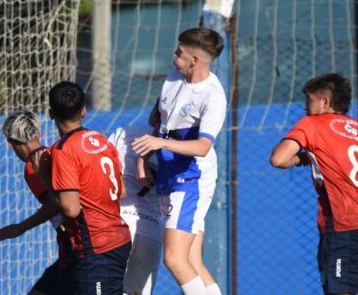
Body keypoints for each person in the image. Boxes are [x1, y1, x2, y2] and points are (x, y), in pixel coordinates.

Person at [269, 73, 358, 295]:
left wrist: (302, 156)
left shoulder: (312, 124)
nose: (304, 107)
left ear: (325, 102)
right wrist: (310, 157)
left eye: (308, 100)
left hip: (343, 225)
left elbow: (279, 159)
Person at [131, 27, 227, 295]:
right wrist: (143, 161)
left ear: (194, 60)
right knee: (192, 260)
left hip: (192, 178)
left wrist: (161, 143)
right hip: (169, 173)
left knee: (174, 258)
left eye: (179, 52)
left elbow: (203, 146)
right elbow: (159, 122)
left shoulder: (213, 96)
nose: (173, 55)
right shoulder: (175, 76)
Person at [47, 81, 132, 295]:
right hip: (119, 238)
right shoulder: (101, 140)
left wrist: (43, 178)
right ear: (83, 111)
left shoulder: (63, 150)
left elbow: (71, 209)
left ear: (51, 113)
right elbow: (121, 191)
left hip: (97, 247)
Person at [0, 110, 72, 295]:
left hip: (75, 245)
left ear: (10, 144)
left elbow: (55, 204)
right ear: (38, 134)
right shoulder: (54, 153)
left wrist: (20, 228)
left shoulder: (31, 167)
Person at [107, 105, 164, 295]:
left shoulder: (125, 133)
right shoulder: (177, 147)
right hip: (151, 229)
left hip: (118, 222)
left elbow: (104, 174)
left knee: (104, 288)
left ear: (155, 112)